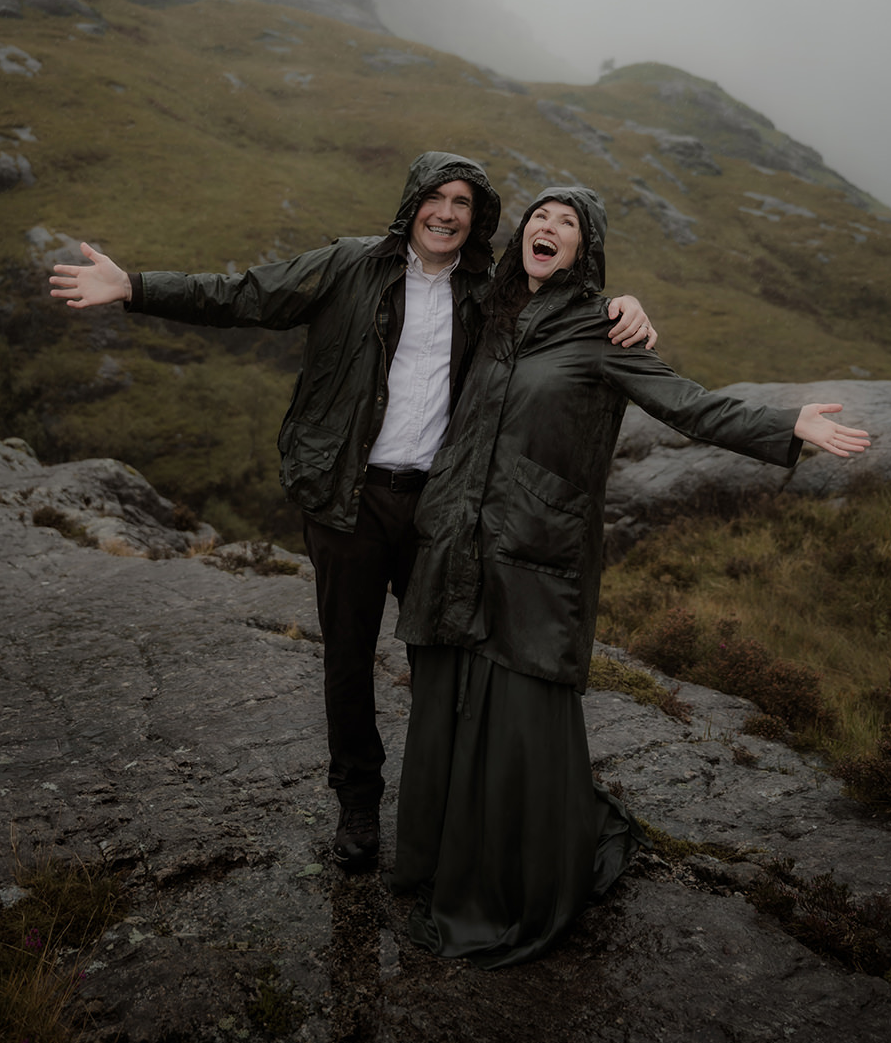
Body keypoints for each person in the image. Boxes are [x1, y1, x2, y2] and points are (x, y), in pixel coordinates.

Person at [50, 153, 657, 869]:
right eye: (435, 197)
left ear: (479, 217)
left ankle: (450, 804)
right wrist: (133, 287)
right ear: (412, 203)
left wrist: (625, 304)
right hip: (349, 499)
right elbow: (241, 294)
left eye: (463, 202)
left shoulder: (484, 290)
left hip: (437, 508)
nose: (447, 212)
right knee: (347, 657)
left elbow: (553, 306)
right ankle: (360, 804)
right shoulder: (348, 264)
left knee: (444, 653)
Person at [390, 185, 871, 969]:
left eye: (567, 223)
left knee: (519, 722)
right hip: (455, 546)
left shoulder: (602, 329)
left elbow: (685, 403)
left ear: (586, 248)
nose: (547, 228)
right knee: (448, 708)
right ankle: (437, 862)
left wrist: (785, 423)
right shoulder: (490, 313)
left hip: (536, 552)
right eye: (539, 217)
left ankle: (518, 883)